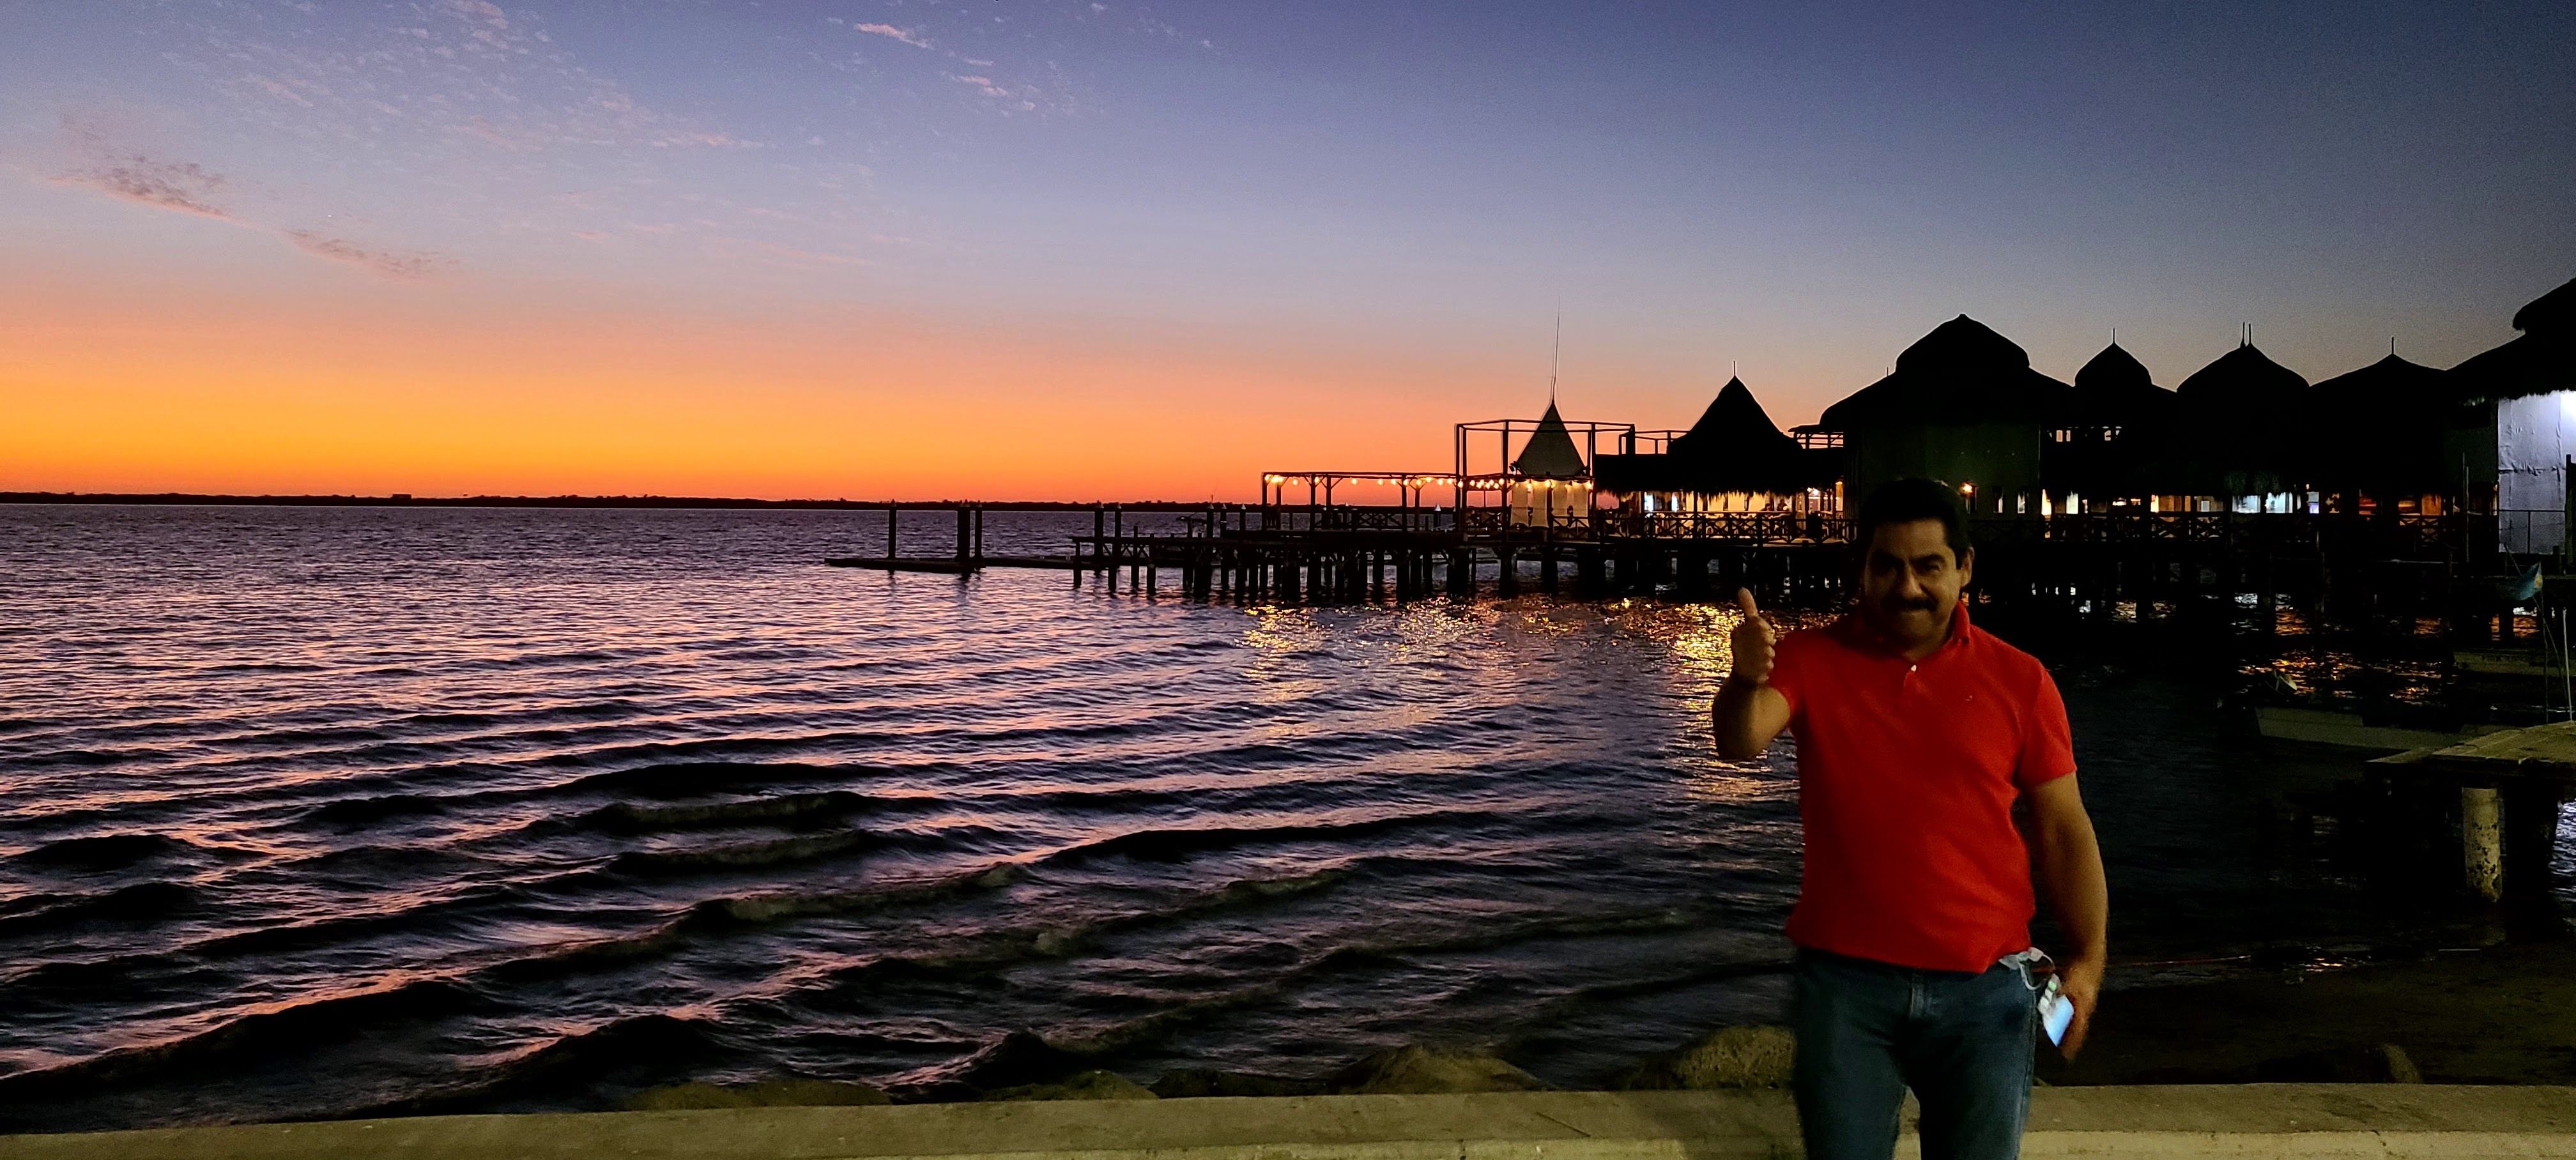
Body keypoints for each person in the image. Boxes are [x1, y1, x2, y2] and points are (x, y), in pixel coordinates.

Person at [1712, 477, 2108, 1160]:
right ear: (1861, 570)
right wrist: (1745, 676)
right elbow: (1740, 740)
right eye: (1888, 565)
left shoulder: (2021, 679)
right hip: (1845, 991)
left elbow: (2064, 828)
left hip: (1987, 992)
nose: (1908, 586)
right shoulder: (1810, 658)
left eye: (1929, 565)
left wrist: (2089, 960)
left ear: (1964, 569)